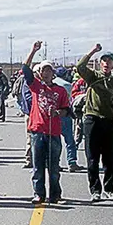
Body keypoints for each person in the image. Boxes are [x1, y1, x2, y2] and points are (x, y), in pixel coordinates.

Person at [75, 44, 113, 202]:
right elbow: (80, 66)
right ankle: (95, 190)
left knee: (110, 159)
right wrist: (93, 51)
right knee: (92, 158)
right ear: (99, 63)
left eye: (109, 61)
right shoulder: (92, 76)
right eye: (103, 60)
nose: (106, 63)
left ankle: (109, 189)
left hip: (109, 122)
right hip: (92, 120)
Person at [22, 42, 70, 204]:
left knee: (54, 167)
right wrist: (33, 50)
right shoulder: (36, 86)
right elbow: (25, 69)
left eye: (49, 70)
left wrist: (57, 112)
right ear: (40, 73)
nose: (47, 73)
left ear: (53, 73)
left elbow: (66, 110)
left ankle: (55, 195)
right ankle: (39, 193)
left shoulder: (60, 91)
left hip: (53, 132)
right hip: (38, 131)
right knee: (38, 166)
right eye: (44, 70)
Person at [53, 68, 82, 173]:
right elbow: (71, 100)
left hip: (53, 115)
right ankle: (71, 162)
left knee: (55, 141)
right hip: (64, 114)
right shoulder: (67, 85)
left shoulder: (51, 84)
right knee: (69, 140)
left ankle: (55, 163)